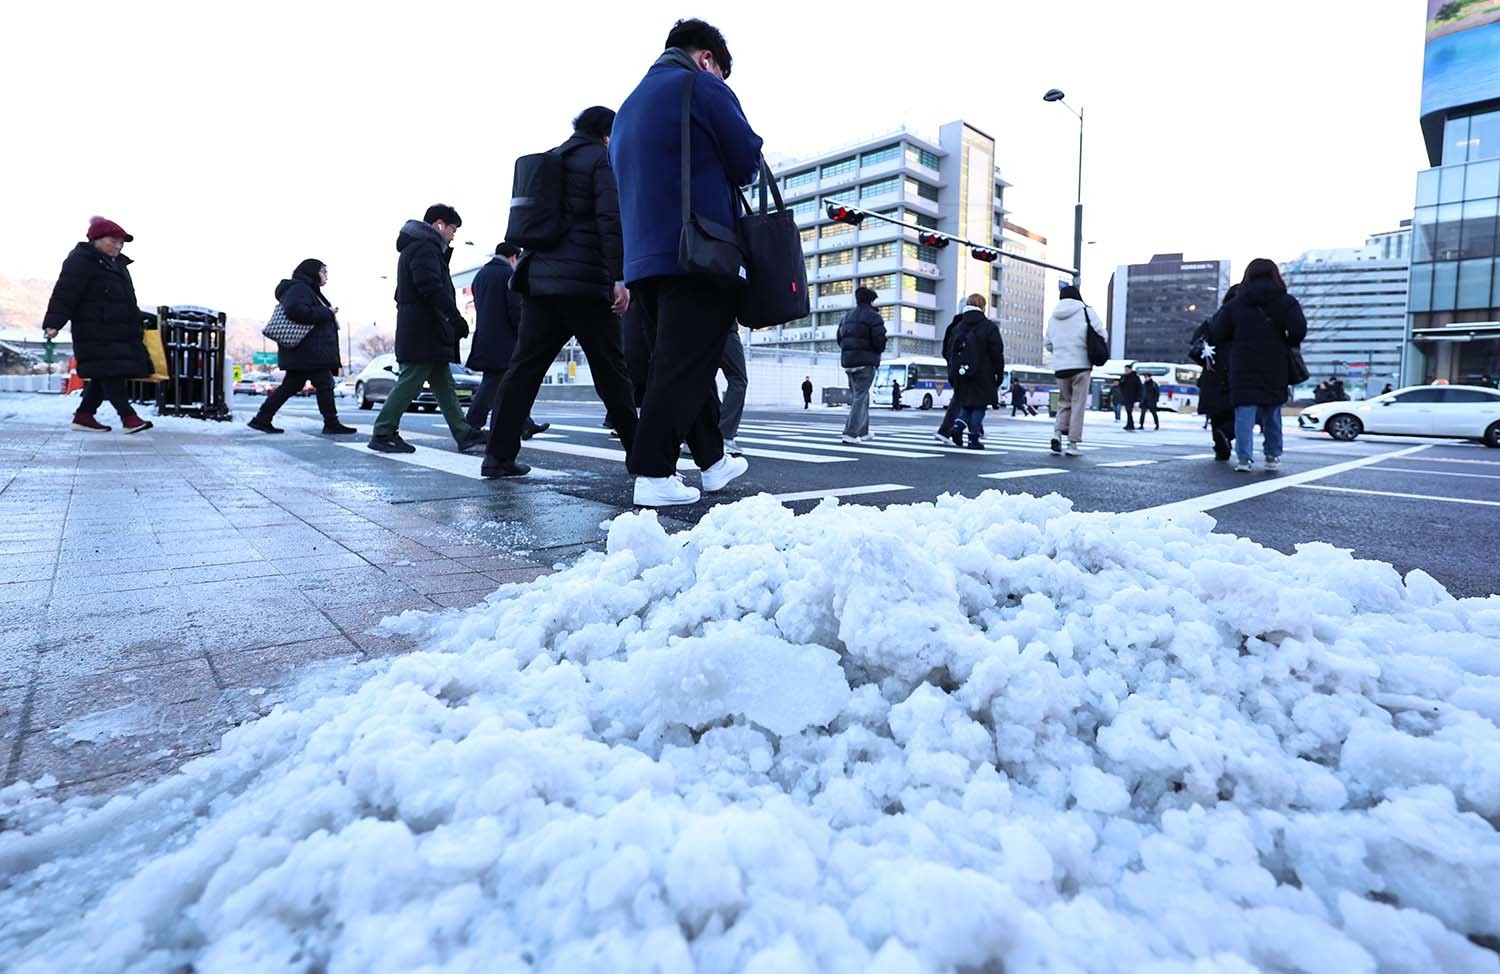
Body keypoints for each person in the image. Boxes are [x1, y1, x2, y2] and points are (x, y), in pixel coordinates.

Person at [611, 18, 763, 506]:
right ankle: (653, 473)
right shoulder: (702, 85)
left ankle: (714, 464)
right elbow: (746, 161)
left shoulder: (627, 107)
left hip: (645, 259)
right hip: (699, 252)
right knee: (681, 367)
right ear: (707, 59)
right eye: (721, 71)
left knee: (682, 362)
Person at [481, 107, 642, 479]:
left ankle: (497, 457)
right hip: (583, 283)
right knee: (612, 371)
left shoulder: (552, 158)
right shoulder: (600, 159)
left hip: (539, 280)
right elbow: (610, 219)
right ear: (607, 133)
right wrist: (620, 276)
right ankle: (640, 456)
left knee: (522, 370)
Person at [369, 204, 486, 455]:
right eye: (453, 229)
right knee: (411, 381)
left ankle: (464, 433)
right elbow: (431, 287)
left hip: (426, 329)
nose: (454, 235)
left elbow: (403, 293)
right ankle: (383, 432)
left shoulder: (419, 248)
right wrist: (454, 318)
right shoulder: (424, 248)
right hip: (424, 330)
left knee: (444, 385)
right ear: (439, 224)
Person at [41, 216, 153, 434]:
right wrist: (54, 323)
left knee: (106, 373)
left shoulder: (118, 264)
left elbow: (126, 299)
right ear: (97, 239)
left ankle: (84, 416)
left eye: (121, 242)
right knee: (111, 373)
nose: (118, 246)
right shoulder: (81, 260)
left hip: (119, 330)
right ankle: (128, 417)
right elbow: (65, 293)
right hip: (95, 329)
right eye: (113, 241)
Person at [1208, 257, 1308, 472]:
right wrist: (1286, 342)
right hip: (1275, 365)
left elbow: (1218, 332)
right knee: (1272, 413)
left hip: (1243, 365)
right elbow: (1298, 329)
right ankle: (1272, 455)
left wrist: (1236, 345)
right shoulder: (1287, 302)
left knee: (1244, 413)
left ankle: (1244, 459)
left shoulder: (1236, 304)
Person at [249, 259, 355, 435]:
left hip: (306, 351)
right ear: (312, 272)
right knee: (324, 384)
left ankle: (262, 418)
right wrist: (327, 312)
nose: (326, 276)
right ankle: (331, 423)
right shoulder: (300, 288)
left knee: (292, 385)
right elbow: (295, 310)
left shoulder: (306, 289)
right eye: (323, 272)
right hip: (309, 351)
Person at [466, 243, 546, 441]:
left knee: (506, 383)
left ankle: (524, 424)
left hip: (486, 337)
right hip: (505, 339)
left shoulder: (481, 276)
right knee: (495, 383)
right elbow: (515, 309)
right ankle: (472, 424)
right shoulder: (508, 275)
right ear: (513, 257)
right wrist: (524, 332)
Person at [1043, 284, 1106, 456]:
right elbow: (1102, 334)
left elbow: (1048, 344)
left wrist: (1061, 350)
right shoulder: (1086, 311)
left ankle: (1057, 433)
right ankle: (1073, 443)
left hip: (1061, 367)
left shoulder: (1053, 316)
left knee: (1064, 402)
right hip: (1081, 365)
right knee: (1078, 404)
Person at [943, 294, 1004, 449]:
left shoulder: (958, 326)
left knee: (966, 404)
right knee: (979, 406)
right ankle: (973, 439)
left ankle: (957, 427)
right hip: (983, 373)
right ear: (983, 307)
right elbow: (997, 353)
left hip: (961, 373)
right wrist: (998, 373)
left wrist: (953, 371)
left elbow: (949, 350)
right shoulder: (989, 327)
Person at [1189, 285, 1237, 461]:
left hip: (1212, 373)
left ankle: (1220, 447)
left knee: (1217, 412)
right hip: (1234, 371)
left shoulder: (1213, 320)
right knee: (1238, 412)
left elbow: (1196, 345)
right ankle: (1225, 435)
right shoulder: (1241, 319)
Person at [836, 286, 886, 444]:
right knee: (860, 397)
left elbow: (839, 338)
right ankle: (850, 433)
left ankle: (863, 432)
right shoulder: (874, 317)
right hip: (865, 362)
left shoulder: (846, 316)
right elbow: (880, 341)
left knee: (861, 396)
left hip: (849, 362)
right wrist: (877, 351)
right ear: (871, 300)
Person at [718, 329, 747, 455]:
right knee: (738, 380)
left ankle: (692, 440)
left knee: (702, 382)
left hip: (697, 330)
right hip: (724, 328)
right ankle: (724, 436)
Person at [1118, 364, 1142, 431]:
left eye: (1127, 369)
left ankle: (1131, 425)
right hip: (1125, 397)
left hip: (1132, 397)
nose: (1126, 371)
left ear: (1130, 370)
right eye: (1125, 369)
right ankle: (1129, 424)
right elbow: (1121, 385)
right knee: (1128, 412)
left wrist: (1138, 398)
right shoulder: (1123, 377)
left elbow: (1139, 388)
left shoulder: (1135, 377)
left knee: (1129, 411)